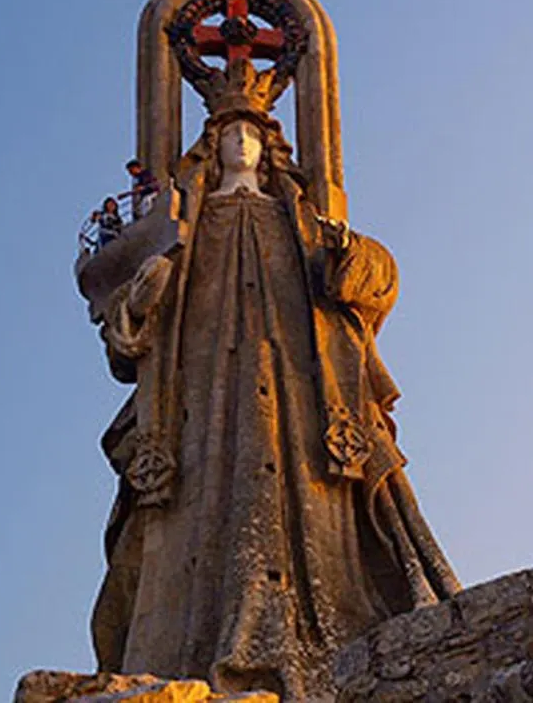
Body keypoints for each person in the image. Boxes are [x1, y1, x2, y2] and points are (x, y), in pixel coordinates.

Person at [91, 60, 460, 700]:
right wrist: (140, 303)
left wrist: (354, 258)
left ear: (268, 148)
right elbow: (126, 338)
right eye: (228, 135)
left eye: (251, 134)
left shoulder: (302, 221)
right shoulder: (187, 229)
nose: (240, 143)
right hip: (207, 397)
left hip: (299, 388)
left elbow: (374, 283)